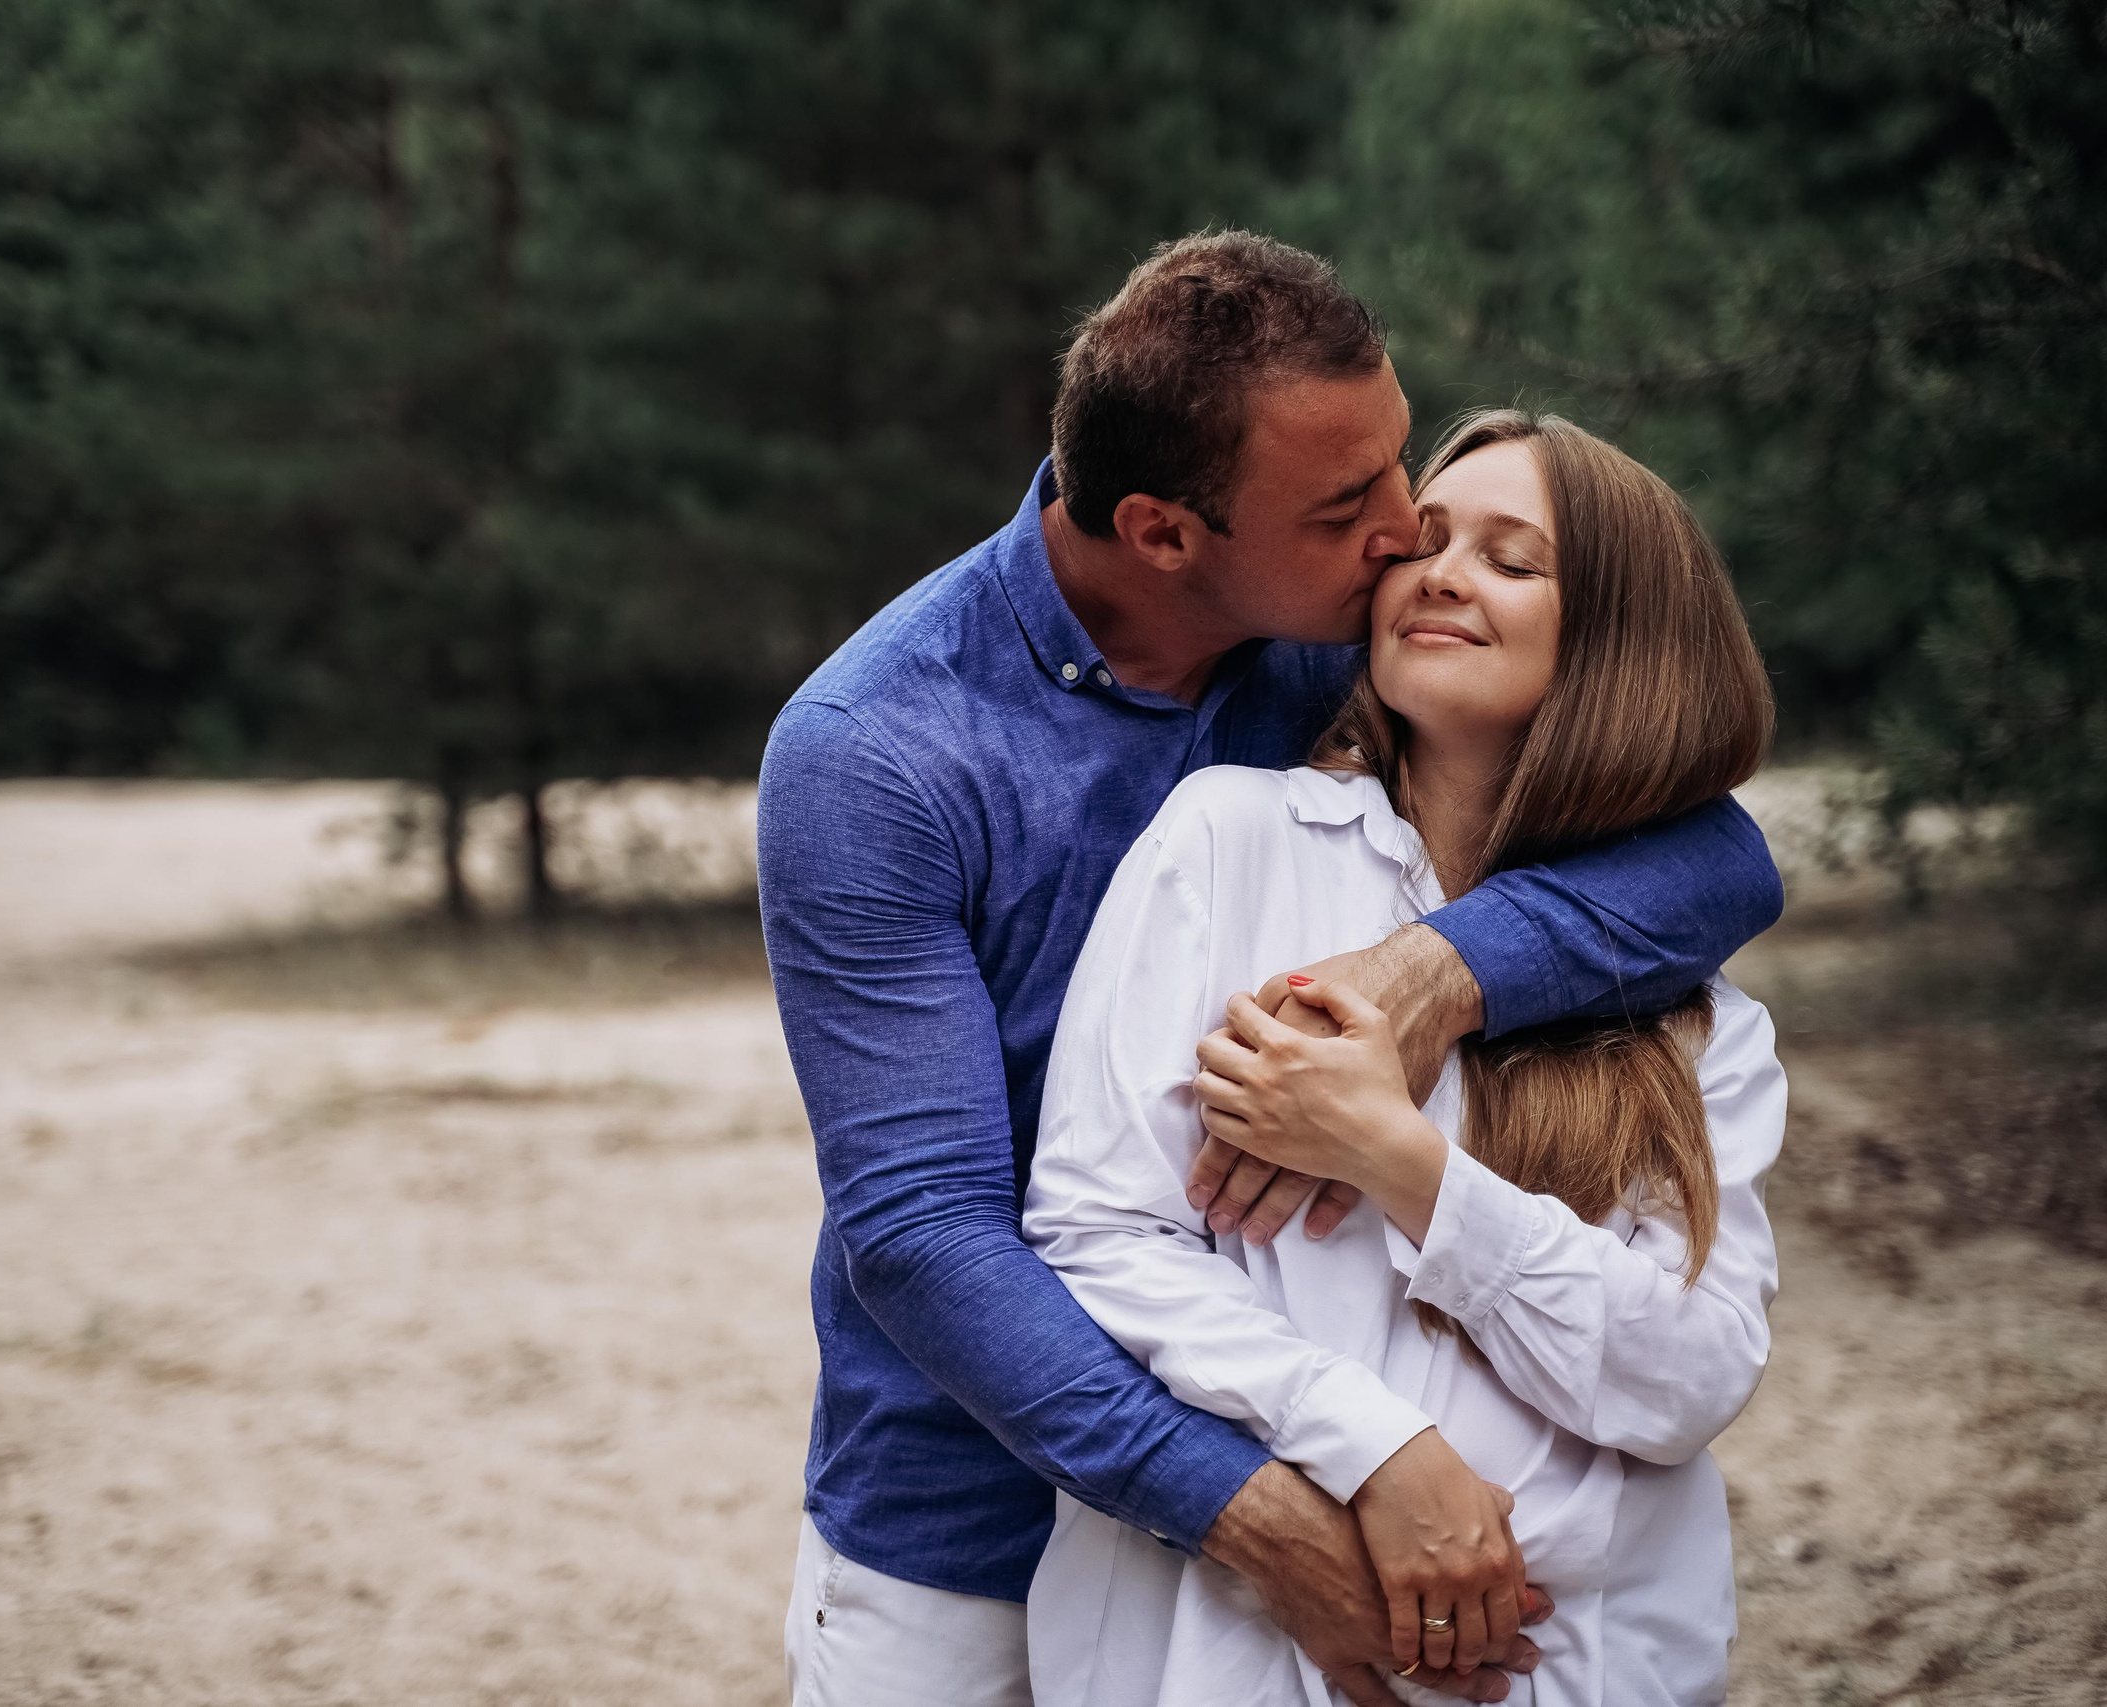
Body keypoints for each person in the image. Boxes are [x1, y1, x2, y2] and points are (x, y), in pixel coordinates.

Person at [755, 233, 1784, 1707]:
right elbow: (924, 1230)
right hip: (970, 1508)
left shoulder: (1344, 638)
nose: (1406, 529)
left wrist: (1429, 976)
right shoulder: (879, 752)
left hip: (1328, 1478)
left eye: (1398, 460)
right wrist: (1263, 1512)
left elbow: (1717, 860)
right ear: (1165, 534)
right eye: (1349, 505)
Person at [1023, 409, 1786, 1706]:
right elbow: (1100, 1236)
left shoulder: (1694, 1015)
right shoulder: (1230, 844)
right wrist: (1377, 1449)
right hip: (1234, 1654)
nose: (1440, 574)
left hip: (1570, 1659)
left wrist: (1405, 1167)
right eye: (1423, 543)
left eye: (1511, 558)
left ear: (1622, 643)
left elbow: (1690, 1377)